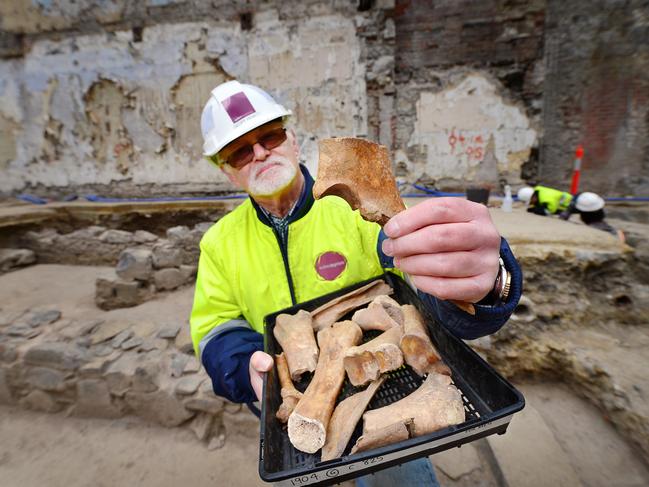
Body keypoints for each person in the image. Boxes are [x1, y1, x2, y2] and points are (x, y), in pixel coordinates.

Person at [190, 80, 523, 486]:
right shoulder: (219, 244)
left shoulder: (356, 210)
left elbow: (433, 293)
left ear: (293, 140)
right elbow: (215, 327)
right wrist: (244, 370)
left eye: (270, 136)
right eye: (241, 150)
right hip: (288, 409)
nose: (260, 152)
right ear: (227, 172)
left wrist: (486, 284)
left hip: (390, 395)